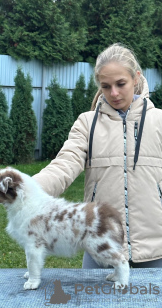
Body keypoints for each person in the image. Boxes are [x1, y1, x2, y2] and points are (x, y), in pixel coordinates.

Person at [33, 43, 162, 269]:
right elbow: (64, 164)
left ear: (136, 78)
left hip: (156, 251)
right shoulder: (87, 123)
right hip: (100, 248)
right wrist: (28, 188)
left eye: (121, 84)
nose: (114, 93)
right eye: (106, 86)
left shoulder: (159, 121)